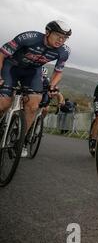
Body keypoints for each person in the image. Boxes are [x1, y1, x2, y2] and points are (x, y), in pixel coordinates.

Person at [0, 20, 71, 154]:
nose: (61, 40)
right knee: (3, 103)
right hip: (12, 67)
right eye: (57, 35)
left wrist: (52, 86)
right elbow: (2, 54)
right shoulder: (29, 38)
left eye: (65, 38)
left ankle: (19, 140)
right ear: (47, 32)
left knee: (33, 105)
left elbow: (58, 72)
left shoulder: (64, 52)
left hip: (32, 72)